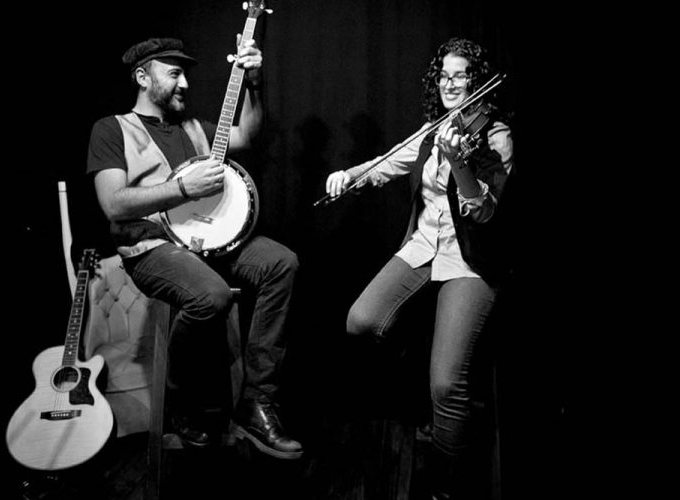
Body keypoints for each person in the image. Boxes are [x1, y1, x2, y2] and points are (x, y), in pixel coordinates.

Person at [86, 36, 303, 460]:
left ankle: (256, 402)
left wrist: (255, 83)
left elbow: (249, 135)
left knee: (282, 262)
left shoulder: (196, 128)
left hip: (211, 242)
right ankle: (181, 401)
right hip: (150, 248)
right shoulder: (111, 129)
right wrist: (182, 188)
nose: (185, 83)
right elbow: (113, 204)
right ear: (142, 77)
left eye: (186, 73)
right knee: (212, 295)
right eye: (174, 73)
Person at [324, 37, 514, 498]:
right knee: (360, 320)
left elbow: (485, 213)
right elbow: (389, 162)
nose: (451, 84)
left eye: (461, 75)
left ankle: (446, 481)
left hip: (470, 260)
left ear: (476, 80)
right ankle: (428, 353)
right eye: (444, 75)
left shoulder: (496, 136)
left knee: (448, 385)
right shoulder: (434, 129)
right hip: (423, 246)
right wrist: (350, 177)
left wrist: (459, 162)